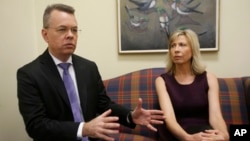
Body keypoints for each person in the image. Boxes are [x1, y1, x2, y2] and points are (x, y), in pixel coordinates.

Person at [17, 3, 165, 141]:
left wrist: (130, 116)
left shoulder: (88, 67)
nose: (70, 35)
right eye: (62, 29)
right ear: (45, 34)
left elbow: (104, 105)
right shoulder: (29, 74)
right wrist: (84, 128)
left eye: (74, 30)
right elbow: (36, 126)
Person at [155, 29, 229, 141]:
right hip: (176, 135)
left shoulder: (209, 78)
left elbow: (216, 117)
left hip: (203, 132)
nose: (176, 50)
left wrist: (224, 136)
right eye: (173, 46)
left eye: (182, 45)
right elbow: (169, 119)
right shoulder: (162, 81)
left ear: (193, 50)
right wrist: (188, 138)